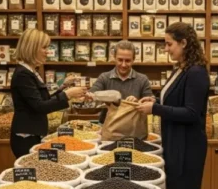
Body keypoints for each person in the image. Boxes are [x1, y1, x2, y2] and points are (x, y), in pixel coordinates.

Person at [137, 22, 209, 189]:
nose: (166, 48)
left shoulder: (197, 72)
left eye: (169, 44)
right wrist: (154, 101)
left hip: (188, 146)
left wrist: (155, 110)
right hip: (176, 142)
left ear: (184, 43)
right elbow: (176, 101)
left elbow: (191, 113)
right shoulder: (182, 69)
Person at [10, 28, 87, 158]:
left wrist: (62, 87)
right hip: (26, 136)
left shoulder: (31, 71)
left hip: (34, 133)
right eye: (44, 47)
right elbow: (40, 106)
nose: (48, 52)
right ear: (32, 48)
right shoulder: (23, 74)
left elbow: (43, 99)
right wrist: (68, 94)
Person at [90, 40, 154, 123]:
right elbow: (92, 96)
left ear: (133, 59)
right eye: (120, 60)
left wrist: (137, 102)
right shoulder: (104, 77)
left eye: (127, 61)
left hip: (133, 127)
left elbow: (150, 105)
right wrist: (101, 98)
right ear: (114, 58)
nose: (123, 65)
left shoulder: (142, 79)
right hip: (107, 127)